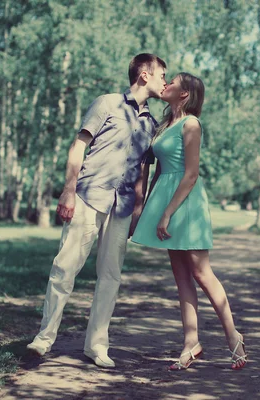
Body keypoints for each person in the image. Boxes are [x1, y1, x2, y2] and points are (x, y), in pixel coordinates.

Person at [26, 54, 167, 369]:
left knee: (111, 276)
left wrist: (139, 211)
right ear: (144, 75)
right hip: (89, 197)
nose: (164, 82)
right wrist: (68, 190)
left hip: (123, 207)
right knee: (65, 268)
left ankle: (96, 346)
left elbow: (142, 170)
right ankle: (44, 339)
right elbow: (79, 145)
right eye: (161, 76)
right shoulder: (107, 104)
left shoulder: (151, 124)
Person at [131, 73, 248, 370]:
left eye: (173, 82)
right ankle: (191, 343)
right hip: (164, 198)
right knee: (181, 276)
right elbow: (158, 170)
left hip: (187, 202)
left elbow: (191, 173)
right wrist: (147, 209)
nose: (165, 84)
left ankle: (233, 337)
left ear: (185, 94)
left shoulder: (191, 124)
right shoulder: (164, 125)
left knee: (201, 273)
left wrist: (169, 211)